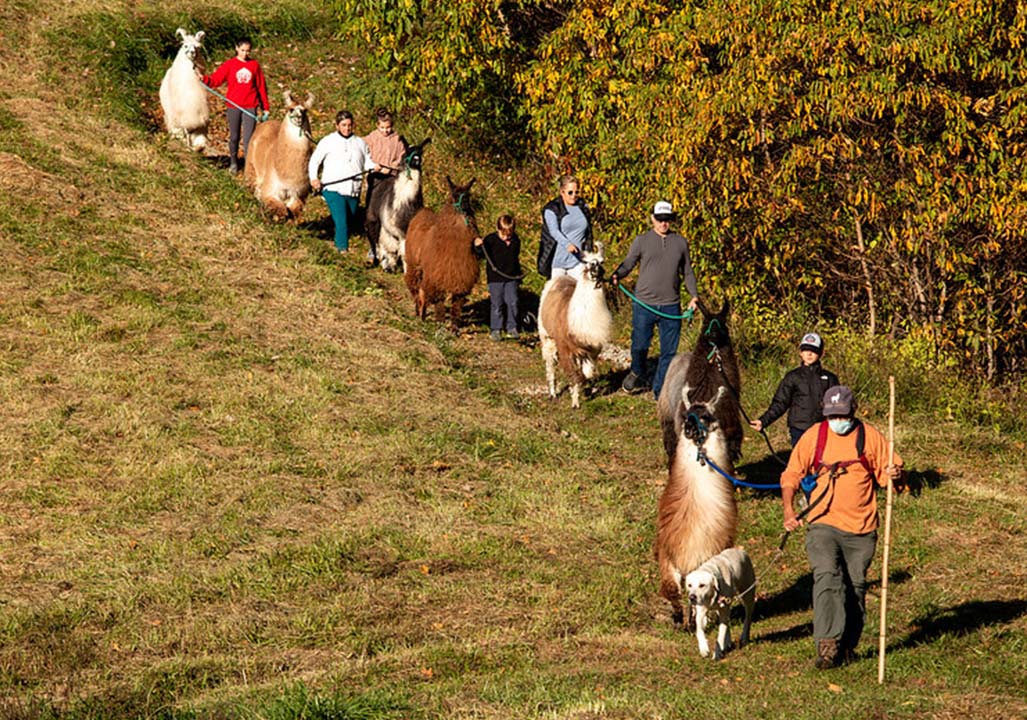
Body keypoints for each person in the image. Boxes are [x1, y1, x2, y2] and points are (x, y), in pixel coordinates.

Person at [780, 385, 904, 669]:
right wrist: (789, 509)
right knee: (827, 576)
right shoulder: (815, 436)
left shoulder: (869, 437)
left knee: (855, 586)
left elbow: (891, 479)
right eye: (832, 415)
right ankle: (827, 644)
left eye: (842, 415)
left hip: (861, 528)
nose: (837, 421)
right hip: (822, 522)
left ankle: (848, 645)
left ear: (853, 412)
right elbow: (791, 474)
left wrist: (895, 474)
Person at [610, 201, 699, 399]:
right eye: (659, 219)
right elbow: (628, 263)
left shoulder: (680, 243)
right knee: (640, 345)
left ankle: (660, 392)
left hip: (671, 306)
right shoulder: (642, 241)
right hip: (644, 304)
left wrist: (694, 296)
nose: (663, 223)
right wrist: (618, 275)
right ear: (652, 219)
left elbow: (687, 272)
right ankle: (637, 371)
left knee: (669, 353)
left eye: (667, 219)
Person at [750, 332, 840, 446]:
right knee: (801, 462)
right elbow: (780, 403)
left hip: (823, 429)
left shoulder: (830, 378)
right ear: (800, 353)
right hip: (799, 429)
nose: (809, 353)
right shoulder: (793, 377)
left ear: (821, 353)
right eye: (805, 349)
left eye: (814, 350)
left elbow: (839, 406)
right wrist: (763, 421)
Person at [309, 111, 377, 253]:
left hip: (353, 189)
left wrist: (374, 167)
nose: (347, 128)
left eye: (349, 125)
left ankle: (334, 236)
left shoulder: (360, 143)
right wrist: (314, 178)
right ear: (337, 125)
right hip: (333, 187)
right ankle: (342, 249)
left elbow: (367, 161)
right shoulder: (328, 141)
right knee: (342, 221)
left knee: (349, 218)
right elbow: (315, 161)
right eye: (343, 125)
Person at [203, 37, 270, 175]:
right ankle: (233, 162)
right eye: (242, 50)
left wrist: (265, 107)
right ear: (236, 49)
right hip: (234, 105)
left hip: (250, 106)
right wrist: (203, 78)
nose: (245, 53)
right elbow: (216, 80)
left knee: (248, 139)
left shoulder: (254, 65)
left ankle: (248, 166)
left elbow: (261, 87)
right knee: (234, 136)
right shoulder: (229, 65)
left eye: (248, 51)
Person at [474, 214, 522, 341]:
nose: (507, 236)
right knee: (497, 304)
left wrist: (518, 276)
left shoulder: (516, 240)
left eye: (509, 233)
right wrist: (478, 246)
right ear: (498, 229)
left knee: (512, 302)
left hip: (511, 277)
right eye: (504, 233)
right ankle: (496, 329)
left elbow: (515, 259)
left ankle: (512, 327)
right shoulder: (490, 240)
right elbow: (481, 255)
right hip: (495, 279)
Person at [538, 175, 593, 279]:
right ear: (562, 192)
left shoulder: (583, 207)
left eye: (576, 192)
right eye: (570, 192)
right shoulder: (552, 209)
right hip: (558, 262)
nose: (574, 196)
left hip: (578, 261)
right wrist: (567, 245)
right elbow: (554, 231)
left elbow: (588, 233)